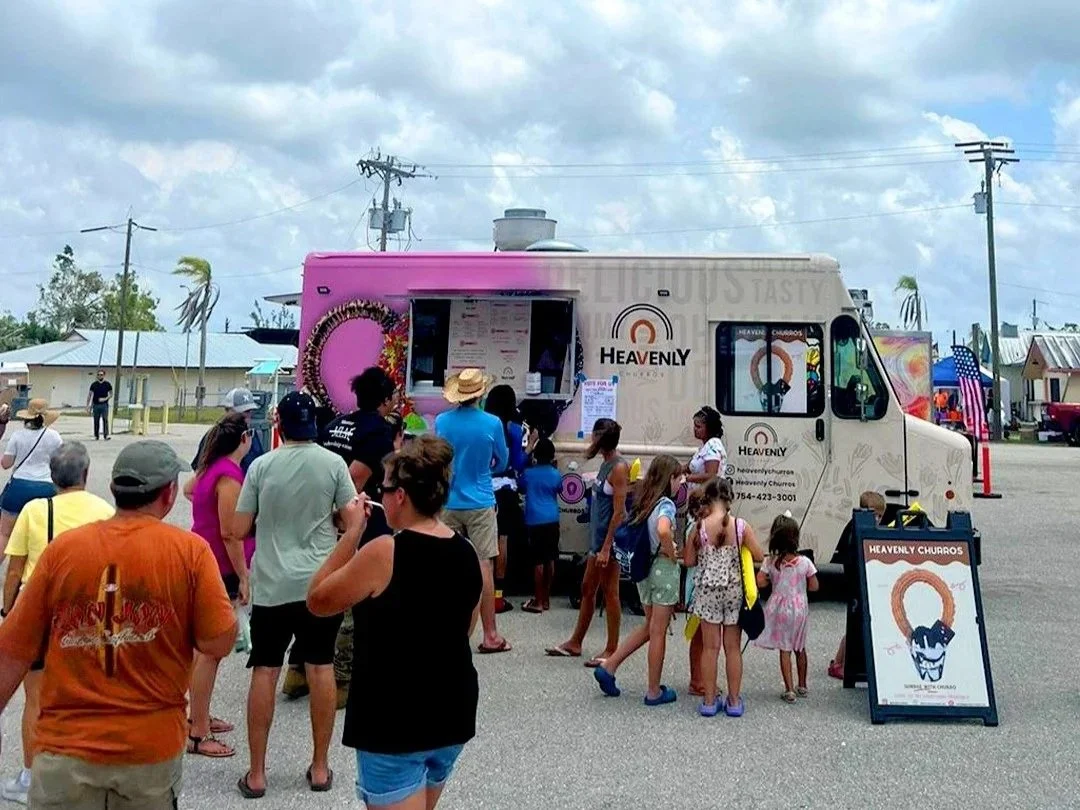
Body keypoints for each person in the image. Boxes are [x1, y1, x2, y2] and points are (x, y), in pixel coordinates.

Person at [0, 440, 237, 810]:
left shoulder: (62, 551)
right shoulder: (190, 552)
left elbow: (12, 653)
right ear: (169, 493)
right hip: (149, 753)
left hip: (66, 751)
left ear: (113, 489)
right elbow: (218, 642)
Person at [307, 435, 482, 810]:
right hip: (452, 709)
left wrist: (351, 533)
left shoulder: (385, 552)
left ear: (400, 496)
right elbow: (466, 627)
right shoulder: (466, 550)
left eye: (383, 489)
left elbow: (318, 599)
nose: (378, 496)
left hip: (394, 719)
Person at [233, 391, 357, 799]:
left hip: (272, 583)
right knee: (321, 666)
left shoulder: (262, 466)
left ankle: (256, 773)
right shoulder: (333, 463)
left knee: (265, 669)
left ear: (279, 426)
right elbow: (351, 520)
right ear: (314, 425)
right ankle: (320, 767)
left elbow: (239, 527)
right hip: (318, 583)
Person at [0, 441, 114, 805]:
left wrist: (8, 611)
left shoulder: (35, 511)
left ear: (52, 476)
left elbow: (15, 569)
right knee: (85, 693)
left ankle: (31, 776)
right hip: (86, 615)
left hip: (40, 611)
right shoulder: (105, 511)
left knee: (35, 698)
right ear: (86, 473)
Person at [283, 368, 396, 707]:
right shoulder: (378, 431)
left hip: (321, 520)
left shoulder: (335, 425)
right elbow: (355, 478)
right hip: (356, 522)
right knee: (351, 601)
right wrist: (347, 522)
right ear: (385, 400)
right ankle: (342, 679)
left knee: (320, 591)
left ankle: (298, 669)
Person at [183, 412, 256, 758]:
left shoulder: (209, 469)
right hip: (220, 567)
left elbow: (189, 490)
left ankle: (198, 713)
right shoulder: (229, 476)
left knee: (202, 649)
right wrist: (243, 575)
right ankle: (198, 730)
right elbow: (230, 533)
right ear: (243, 439)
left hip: (202, 558)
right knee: (211, 651)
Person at [593, 455, 684, 705]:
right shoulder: (666, 504)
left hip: (643, 569)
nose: (681, 483)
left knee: (649, 626)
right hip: (662, 570)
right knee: (658, 631)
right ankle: (654, 691)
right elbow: (663, 529)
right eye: (679, 478)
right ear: (670, 478)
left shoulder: (645, 501)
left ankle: (609, 666)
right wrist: (671, 552)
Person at [435, 368, 511, 655]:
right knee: (484, 565)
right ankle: (490, 634)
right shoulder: (492, 423)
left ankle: (443, 629)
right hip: (480, 500)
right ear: (481, 394)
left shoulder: (442, 421)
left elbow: (437, 458)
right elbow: (502, 461)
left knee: (445, 567)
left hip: (448, 501)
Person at [546, 419, 628, 666]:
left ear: (599, 438)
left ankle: (612, 649)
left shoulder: (618, 468)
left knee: (610, 593)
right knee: (587, 589)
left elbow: (619, 512)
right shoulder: (605, 464)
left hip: (607, 543)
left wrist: (606, 547)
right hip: (597, 540)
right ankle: (575, 642)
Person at [685, 477, 763, 717]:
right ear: (730, 499)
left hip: (707, 592)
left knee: (710, 648)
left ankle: (709, 701)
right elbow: (759, 555)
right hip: (733, 592)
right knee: (732, 648)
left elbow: (688, 561)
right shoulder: (741, 526)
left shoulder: (699, 527)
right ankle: (734, 701)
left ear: (707, 499)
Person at [754, 514, 819, 702]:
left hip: (781, 609)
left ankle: (789, 689)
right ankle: (803, 685)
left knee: (785, 648)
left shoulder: (770, 561)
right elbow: (814, 586)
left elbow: (760, 582)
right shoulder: (805, 562)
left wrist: (770, 580)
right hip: (800, 609)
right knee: (800, 647)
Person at [828, 490, 885, 680]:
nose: (877, 520)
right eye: (875, 515)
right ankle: (841, 663)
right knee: (854, 629)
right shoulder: (856, 531)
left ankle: (840, 661)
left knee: (856, 627)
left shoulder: (861, 529)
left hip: (860, 586)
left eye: (880, 516)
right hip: (856, 587)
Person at [484, 384, 531, 614]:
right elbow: (519, 463)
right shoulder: (513, 428)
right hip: (506, 488)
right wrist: (531, 446)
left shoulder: (484, 425)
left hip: (484, 487)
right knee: (502, 541)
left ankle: (482, 593)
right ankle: (498, 597)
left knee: (483, 542)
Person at [1, 399, 63, 551]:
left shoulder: (17, 436)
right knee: (44, 534)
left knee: (5, 534)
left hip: (18, 487)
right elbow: (61, 462)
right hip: (46, 488)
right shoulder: (54, 436)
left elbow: (6, 464)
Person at [520, 438, 562, 614]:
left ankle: (536, 601)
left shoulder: (528, 474)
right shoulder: (555, 474)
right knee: (550, 558)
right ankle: (546, 599)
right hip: (552, 519)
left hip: (534, 520)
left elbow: (521, 488)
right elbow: (559, 490)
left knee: (537, 561)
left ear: (536, 454)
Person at [191, 388, 265, 473]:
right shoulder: (214, 436)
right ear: (227, 411)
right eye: (241, 411)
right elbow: (200, 470)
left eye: (249, 411)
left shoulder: (251, 436)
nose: (246, 416)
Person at [685, 406, 727, 485]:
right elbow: (688, 467)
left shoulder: (713, 445)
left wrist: (687, 478)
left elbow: (711, 476)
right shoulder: (703, 447)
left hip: (709, 491)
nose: (695, 429)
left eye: (698, 427)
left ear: (709, 428)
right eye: (694, 426)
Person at [86, 369, 112, 441]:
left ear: (104, 375)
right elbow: (90, 395)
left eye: (101, 375)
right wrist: (87, 406)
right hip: (96, 405)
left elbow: (111, 394)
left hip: (104, 405)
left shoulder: (107, 384)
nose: (100, 376)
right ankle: (96, 435)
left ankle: (106, 435)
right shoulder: (94, 384)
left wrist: (105, 398)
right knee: (96, 420)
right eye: (98, 375)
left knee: (105, 419)